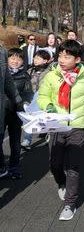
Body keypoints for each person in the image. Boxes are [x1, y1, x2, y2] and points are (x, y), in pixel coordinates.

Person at [37, 40, 84, 221]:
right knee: (54, 164)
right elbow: (42, 96)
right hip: (56, 125)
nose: (62, 59)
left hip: (77, 126)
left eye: (67, 56)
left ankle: (70, 203)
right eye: (60, 55)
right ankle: (61, 182)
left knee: (73, 166)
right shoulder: (52, 75)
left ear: (77, 59)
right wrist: (47, 106)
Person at [0, 48, 33, 179]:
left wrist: (23, 103)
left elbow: (28, 94)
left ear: (23, 61)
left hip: (15, 113)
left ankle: (14, 166)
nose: (15, 61)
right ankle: (2, 165)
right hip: (3, 112)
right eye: (12, 58)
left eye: (18, 59)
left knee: (14, 142)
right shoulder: (4, 71)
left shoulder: (25, 76)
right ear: (7, 59)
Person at [21, 50, 52, 150]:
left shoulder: (50, 72)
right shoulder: (30, 71)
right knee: (29, 118)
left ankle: (49, 137)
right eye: (35, 57)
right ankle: (27, 140)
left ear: (46, 60)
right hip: (30, 97)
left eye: (38, 58)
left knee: (46, 118)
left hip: (44, 98)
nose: (35, 60)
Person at [0, 45, 23, 178]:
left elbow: (7, 80)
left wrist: (19, 101)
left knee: (13, 142)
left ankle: (10, 166)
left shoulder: (2, 51)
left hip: (7, 112)